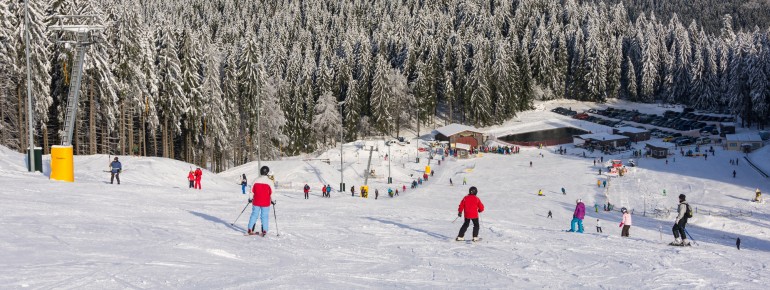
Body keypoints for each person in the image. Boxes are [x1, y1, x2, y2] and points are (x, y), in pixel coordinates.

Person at [247, 166, 275, 236]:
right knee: (264, 216)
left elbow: (251, 191)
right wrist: (273, 200)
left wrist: (250, 198)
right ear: (267, 172)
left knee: (254, 214)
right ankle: (264, 230)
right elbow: (272, 192)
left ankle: (250, 228)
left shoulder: (256, 180)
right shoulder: (269, 182)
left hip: (256, 201)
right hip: (265, 202)